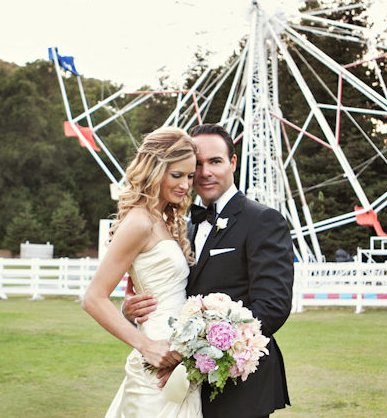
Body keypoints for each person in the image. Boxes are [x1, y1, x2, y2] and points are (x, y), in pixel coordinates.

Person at [123, 123, 294, 418]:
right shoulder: (183, 226)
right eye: (196, 165)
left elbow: (272, 307)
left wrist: (192, 355)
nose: (204, 173)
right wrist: (133, 310)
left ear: (233, 163)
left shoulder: (263, 220)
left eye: (215, 161)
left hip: (239, 385)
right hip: (182, 383)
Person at [82, 127, 202, 418]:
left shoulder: (163, 219)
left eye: (189, 176)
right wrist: (146, 346)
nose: (186, 185)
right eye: (177, 175)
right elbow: (93, 298)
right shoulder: (139, 222)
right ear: (154, 169)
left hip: (180, 357)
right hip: (157, 358)